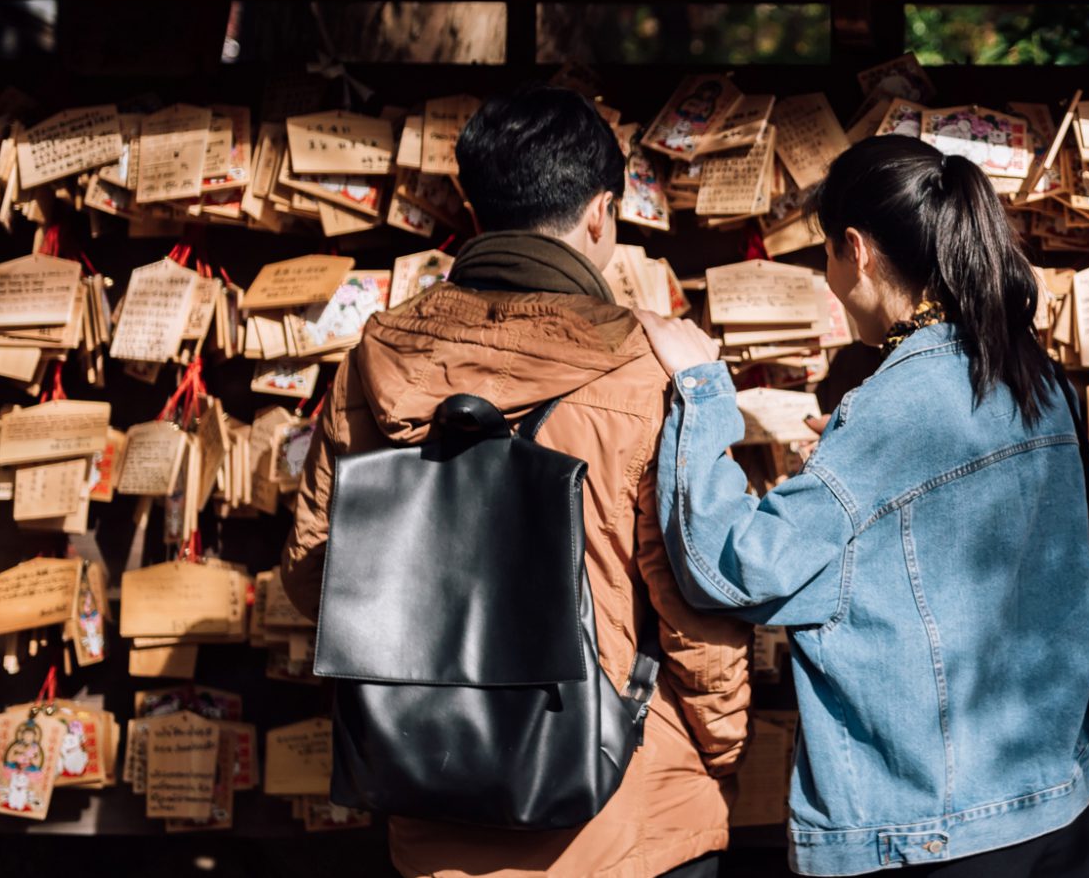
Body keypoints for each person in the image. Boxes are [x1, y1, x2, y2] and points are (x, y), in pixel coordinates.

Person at [643, 135, 1089, 877]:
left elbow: (732, 570)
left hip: (940, 831)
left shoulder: (893, 406)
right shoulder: (1028, 372)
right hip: (1059, 799)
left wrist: (701, 389)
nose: (831, 279)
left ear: (856, 249)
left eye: (827, 255)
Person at [280, 87, 749, 878]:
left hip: (434, 789)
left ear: (472, 200)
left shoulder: (378, 355)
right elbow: (694, 597)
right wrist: (719, 742)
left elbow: (314, 574)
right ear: (601, 211)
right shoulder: (646, 365)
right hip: (624, 802)